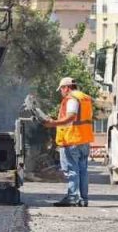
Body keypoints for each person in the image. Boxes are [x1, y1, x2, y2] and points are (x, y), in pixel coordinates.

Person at [40, 76, 94, 208]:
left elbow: (71, 117)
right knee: (83, 171)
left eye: (62, 90)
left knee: (71, 170)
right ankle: (83, 199)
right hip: (84, 140)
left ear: (67, 87)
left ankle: (72, 197)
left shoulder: (71, 99)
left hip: (72, 140)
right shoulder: (85, 98)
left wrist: (53, 123)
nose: (61, 93)